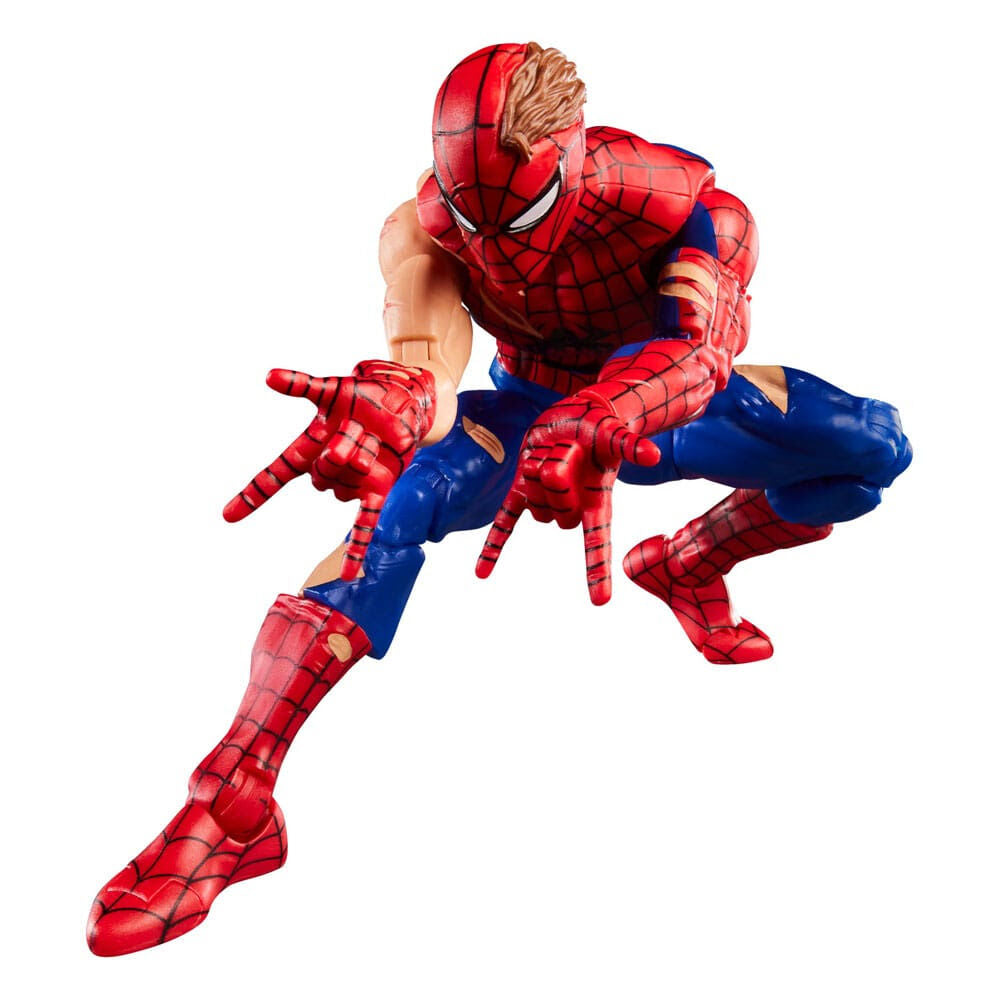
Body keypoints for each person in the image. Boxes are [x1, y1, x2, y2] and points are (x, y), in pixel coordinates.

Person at [87, 41, 911, 956]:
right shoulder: (425, 224)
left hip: (664, 416)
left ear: (569, 156)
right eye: (472, 222)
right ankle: (229, 808)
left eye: (521, 217)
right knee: (387, 513)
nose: (495, 248)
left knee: (871, 453)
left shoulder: (691, 210)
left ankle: (690, 562)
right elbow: (430, 356)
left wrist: (601, 418)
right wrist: (399, 401)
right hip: (525, 417)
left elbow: (697, 350)